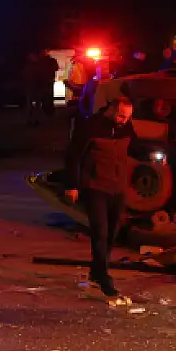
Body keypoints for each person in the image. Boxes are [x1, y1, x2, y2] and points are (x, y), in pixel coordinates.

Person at [63, 95, 136, 298]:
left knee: (112, 232)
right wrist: (72, 185)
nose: (124, 120)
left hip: (118, 187)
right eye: (121, 116)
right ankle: (103, 276)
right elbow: (73, 156)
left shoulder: (126, 127)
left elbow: (133, 146)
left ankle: (96, 271)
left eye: (128, 117)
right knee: (100, 232)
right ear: (111, 109)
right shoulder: (90, 127)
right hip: (96, 186)